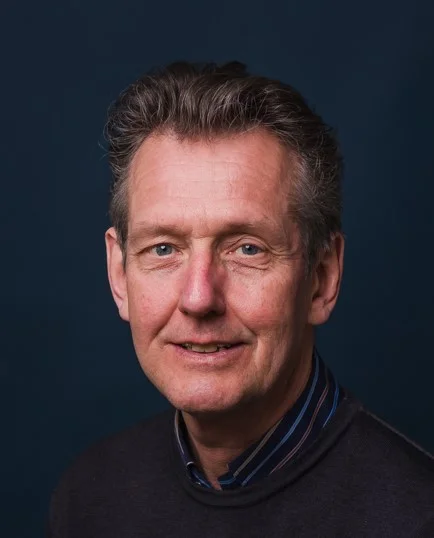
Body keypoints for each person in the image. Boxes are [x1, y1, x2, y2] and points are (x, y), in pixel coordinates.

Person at [48, 61, 433, 537]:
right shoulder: (88, 498)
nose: (198, 298)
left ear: (322, 277)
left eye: (248, 249)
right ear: (119, 273)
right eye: (163, 249)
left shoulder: (417, 517)